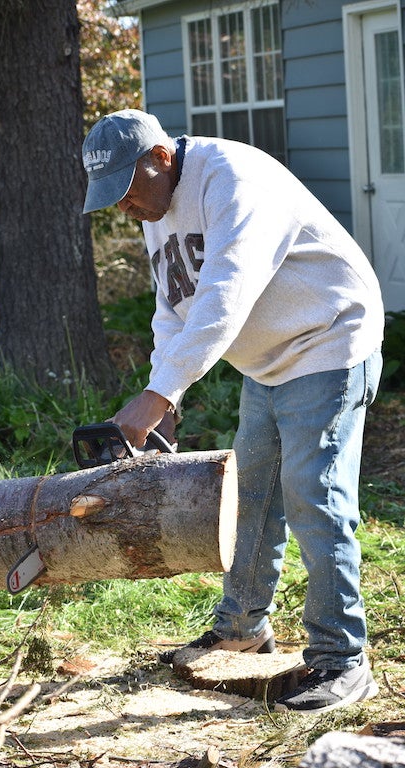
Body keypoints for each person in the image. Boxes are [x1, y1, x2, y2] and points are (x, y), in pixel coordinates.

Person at [81, 109, 384, 713]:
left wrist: (160, 395)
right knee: (251, 494)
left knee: (312, 494)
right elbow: (174, 310)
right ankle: (242, 628)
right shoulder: (156, 207)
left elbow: (225, 293)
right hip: (267, 361)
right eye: (112, 199)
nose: (125, 209)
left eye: (128, 190)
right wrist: (164, 391)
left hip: (328, 339)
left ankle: (342, 661)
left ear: (160, 158)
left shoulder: (234, 180)